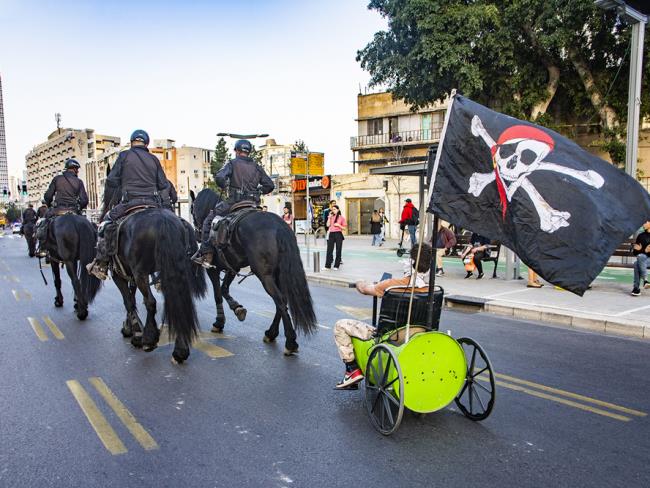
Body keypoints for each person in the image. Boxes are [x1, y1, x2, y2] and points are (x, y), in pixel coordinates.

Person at [333, 244, 433, 388]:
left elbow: (365, 289)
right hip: (420, 332)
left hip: (394, 335)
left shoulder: (392, 285)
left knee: (340, 326)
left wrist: (359, 282)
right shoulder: (431, 289)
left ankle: (351, 369)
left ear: (410, 262)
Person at [86, 129, 170, 279]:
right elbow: (163, 185)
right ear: (146, 143)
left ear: (132, 142)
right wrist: (167, 209)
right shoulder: (154, 159)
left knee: (105, 224)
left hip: (130, 202)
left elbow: (112, 180)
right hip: (153, 203)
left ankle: (101, 264)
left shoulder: (124, 156)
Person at [191, 139, 274, 267]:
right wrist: (258, 191)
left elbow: (219, 177)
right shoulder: (257, 167)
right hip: (253, 204)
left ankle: (206, 254)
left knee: (209, 219)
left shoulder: (232, 163)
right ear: (248, 152)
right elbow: (270, 185)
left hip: (235, 202)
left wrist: (224, 183)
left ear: (236, 151)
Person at [36, 159, 89, 257]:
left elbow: (48, 196)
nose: (77, 171)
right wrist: (79, 208)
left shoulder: (57, 179)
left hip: (58, 210)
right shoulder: (79, 181)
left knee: (43, 223)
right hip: (73, 211)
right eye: (77, 169)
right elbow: (84, 200)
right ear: (74, 169)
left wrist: (49, 205)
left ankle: (42, 248)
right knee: (87, 225)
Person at [631, 220, 650, 296]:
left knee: (637, 262)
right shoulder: (640, 236)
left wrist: (642, 250)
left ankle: (636, 288)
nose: (643, 224)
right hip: (643, 259)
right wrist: (644, 250)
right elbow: (635, 252)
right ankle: (645, 281)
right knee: (637, 262)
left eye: (645, 222)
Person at [324, 205, 346, 270]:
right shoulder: (331, 217)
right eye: (332, 209)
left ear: (338, 210)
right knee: (329, 250)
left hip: (338, 234)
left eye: (334, 209)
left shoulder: (341, 218)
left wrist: (339, 225)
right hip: (331, 234)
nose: (333, 210)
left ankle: (336, 265)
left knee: (338, 250)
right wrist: (329, 218)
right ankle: (327, 266)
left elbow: (344, 228)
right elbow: (327, 225)